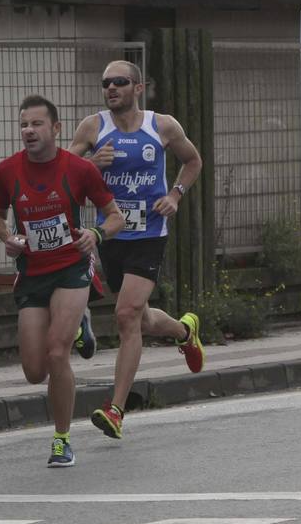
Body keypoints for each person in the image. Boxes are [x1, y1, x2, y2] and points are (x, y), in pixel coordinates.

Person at [65, 60, 207, 440]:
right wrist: (92, 162)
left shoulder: (162, 126)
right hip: (110, 235)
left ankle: (116, 409)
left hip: (149, 233)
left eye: (120, 82)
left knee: (126, 315)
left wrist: (175, 195)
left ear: (138, 87)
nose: (111, 88)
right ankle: (183, 331)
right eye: (106, 82)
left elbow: (193, 161)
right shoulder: (93, 127)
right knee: (140, 318)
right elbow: (63, 170)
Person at [0, 94, 125, 467]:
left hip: (71, 269)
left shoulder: (79, 169)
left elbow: (115, 217)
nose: (28, 131)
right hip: (32, 273)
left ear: (56, 128)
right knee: (35, 371)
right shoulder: (6, 171)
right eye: (23, 124)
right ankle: (81, 322)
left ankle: (62, 439)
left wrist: (96, 235)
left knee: (56, 351)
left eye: (36, 124)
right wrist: (9, 239)